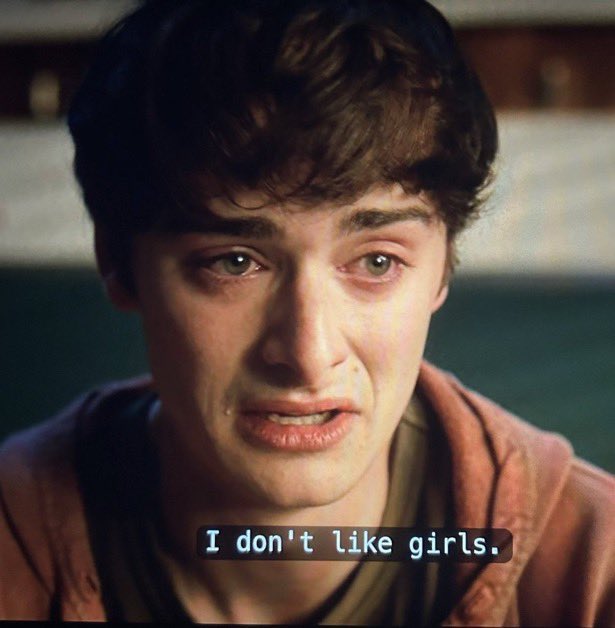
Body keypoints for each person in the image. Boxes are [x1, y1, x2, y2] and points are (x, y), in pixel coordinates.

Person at [1, 0, 613, 624]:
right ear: (117, 261)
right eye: (234, 262)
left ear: (444, 266)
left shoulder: (591, 574)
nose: (308, 355)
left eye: (377, 261)